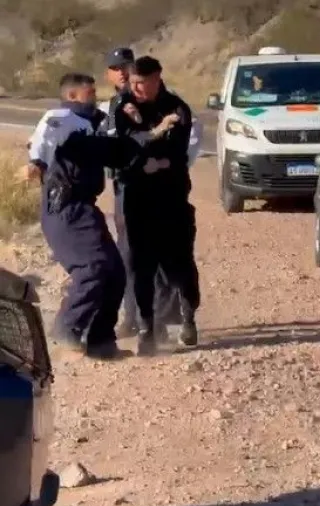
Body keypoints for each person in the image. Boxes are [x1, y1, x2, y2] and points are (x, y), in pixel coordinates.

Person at [24, 73, 174, 359]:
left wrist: (155, 132)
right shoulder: (63, 118)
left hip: (84, 208)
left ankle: (100, 342)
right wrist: (36, 163)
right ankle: (67, 328)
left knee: (115, 272)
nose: (94, 97)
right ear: (72, 96)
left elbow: (121, 147)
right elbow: (44, 135)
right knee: (92, 268)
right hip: (64, 208)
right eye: (89, 93)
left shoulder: (93, 124)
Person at [112, 56, 200, 355]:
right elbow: (119, 147)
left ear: (157, 77)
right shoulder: (122, 105)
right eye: (132, 82)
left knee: (179, 266)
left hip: (171, 198)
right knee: (140, 267)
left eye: (141, 83)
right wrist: (143, 150)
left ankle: (188, 318)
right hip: (136, 199)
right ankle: (147, 329)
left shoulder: (177, 109)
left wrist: (153, 156)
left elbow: (175, 154)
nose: (135, 88)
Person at [97, 47, 181, 339]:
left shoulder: (162, 101)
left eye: (126, 66)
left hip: (158, 187)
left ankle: (158, 321)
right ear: (108, 74)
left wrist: (162, 165)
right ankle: (132, 317)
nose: (121, 72)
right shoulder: (111, 106)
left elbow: (182, 142)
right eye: (115, 68)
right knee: (129, 254)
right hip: (125, 188)